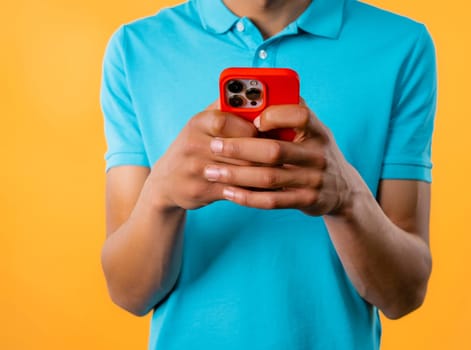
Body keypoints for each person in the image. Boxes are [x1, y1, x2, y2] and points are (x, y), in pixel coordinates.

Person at [100, 0, 437, 348]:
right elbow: (128, 293)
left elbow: (404, 294)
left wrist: (347, 198)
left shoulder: (402, 46)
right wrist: (160, 196)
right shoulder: (135, 49)